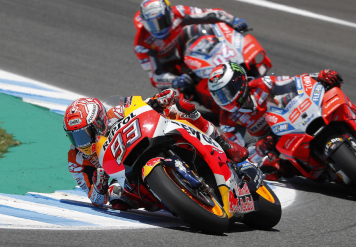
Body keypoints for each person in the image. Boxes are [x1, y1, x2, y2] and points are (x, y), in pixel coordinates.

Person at [63, 90, 248, 210]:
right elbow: (95, 199)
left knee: (180, 111)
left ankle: (225, 144)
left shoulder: (115, 113)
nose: (81, 143)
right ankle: (170, 196)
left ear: (98, 123)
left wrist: (158, 100)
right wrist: (100, 182)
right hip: (127, 178)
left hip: (148, 140)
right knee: (116, 198)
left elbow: (141, 107)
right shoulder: (76, 159)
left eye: (83, 135)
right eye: (74, 137)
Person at [207, 61, 356, 181]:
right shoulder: (227, 119)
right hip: (274, 141)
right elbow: (236, 152)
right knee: (272, 170)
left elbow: (295, 81)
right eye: (219, 96)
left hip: (293, 118)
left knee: (332, 93)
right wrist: (258, 149)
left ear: (239, 82)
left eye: (227, 92)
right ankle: (323, 172)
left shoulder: (262, 84)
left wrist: (320, 76)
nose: (225, 99)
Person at [134, 0, 248, 91]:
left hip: (187, 49)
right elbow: (155, 76)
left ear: (170, 13)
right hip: (168, 66)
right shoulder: (141, 45)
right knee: (171, 95)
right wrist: (175, 81)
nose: (159, 28)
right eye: (152, 25)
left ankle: (232, 60)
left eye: (162, 21)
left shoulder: (178, 12)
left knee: (203, 28)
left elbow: (210, 14)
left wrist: (233, 20)